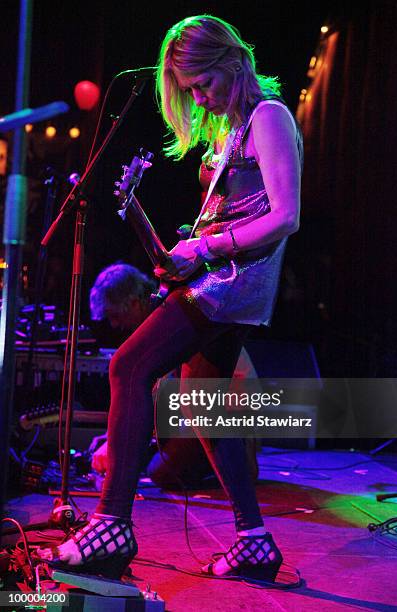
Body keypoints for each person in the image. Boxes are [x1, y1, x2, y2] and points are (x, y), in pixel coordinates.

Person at [38, 15, 302, 584]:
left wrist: (205, 246)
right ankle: (254, 539)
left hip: (231, 287)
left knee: (129, 365)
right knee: (205, 407)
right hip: (224, 281)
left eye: (202, 84)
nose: (199, 99)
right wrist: (181, 248)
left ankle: (112, 523)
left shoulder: (269, 118)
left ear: (230, 63)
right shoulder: (233, 131)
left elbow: (286, 215)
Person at [87, 262, 259, 486]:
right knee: (146, 458)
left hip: (227, 414)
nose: (115, 324)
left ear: (134, 302)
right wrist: (115, 437)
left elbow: (162, 398)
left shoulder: (168, 316)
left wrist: (119, 441)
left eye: (115, 315)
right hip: (202, 411)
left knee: (160, 473)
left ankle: (237, 464)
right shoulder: (162, 310)